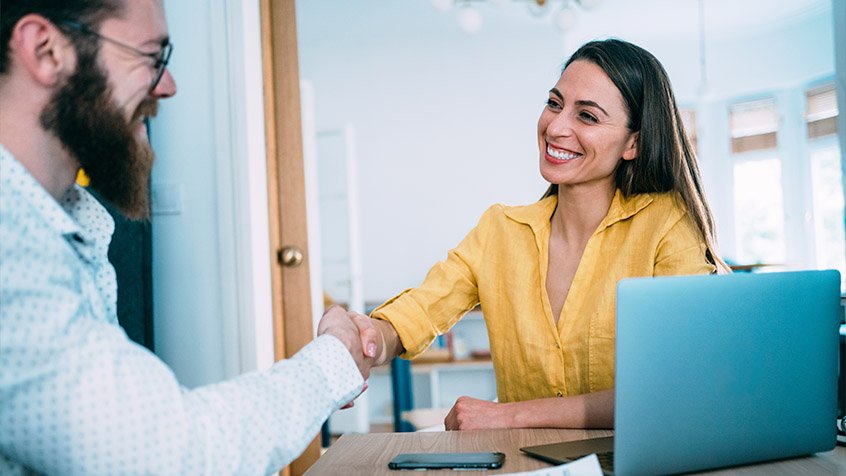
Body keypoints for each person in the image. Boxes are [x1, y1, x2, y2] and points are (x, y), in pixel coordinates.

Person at [0, 1, 375, 475]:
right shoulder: (10, 245)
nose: (168, 85)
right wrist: (336, 357)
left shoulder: (62, 225)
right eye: (151, 56)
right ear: (46, 50)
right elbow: (174, 455)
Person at [328, 38, 730, 431]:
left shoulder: (667, 224)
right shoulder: (501, 230)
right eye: (554, 104)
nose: (555, 126)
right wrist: (364, 340)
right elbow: (417, 312)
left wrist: (509, 415)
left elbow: (676, 386)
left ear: (634, 143)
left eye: (586, 116)